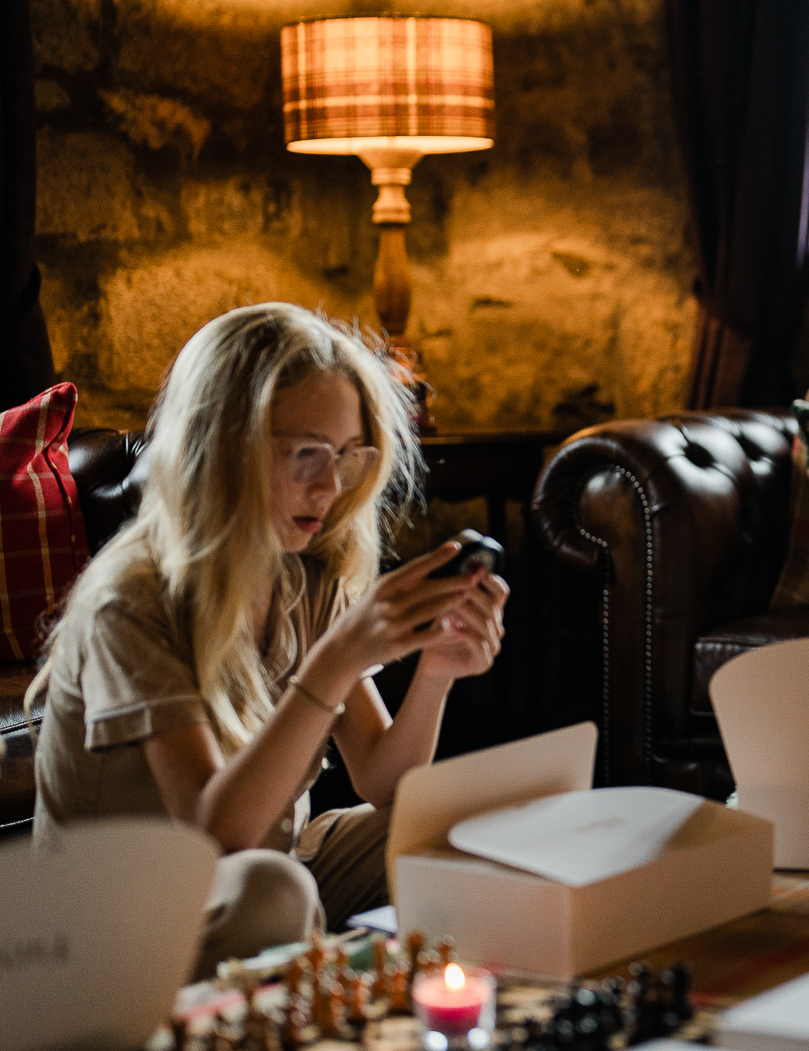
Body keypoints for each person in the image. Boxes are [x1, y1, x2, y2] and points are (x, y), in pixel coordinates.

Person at [28, 303, 507, 979]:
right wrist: (335, 663)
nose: (331, 486)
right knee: (272, 891)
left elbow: (385, 779)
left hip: (267, 867)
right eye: (307, 454)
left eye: (347, 456)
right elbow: (214, 838)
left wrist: (434, 672)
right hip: (113, 919)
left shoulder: (303, 575)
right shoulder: (129, 603)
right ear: (222, 446)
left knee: (463, 821)